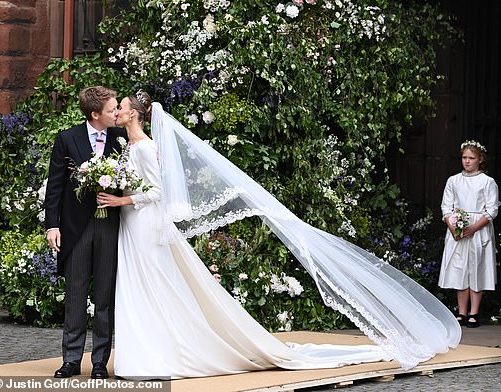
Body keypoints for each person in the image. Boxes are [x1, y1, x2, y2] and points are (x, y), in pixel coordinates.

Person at [96, 92, 461, 380]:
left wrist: (120, 198)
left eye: (122, 108)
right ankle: (144, 351)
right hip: (132, 221)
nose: (117, 112)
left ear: (135, 115)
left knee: (151, 283)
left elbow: (159, 191)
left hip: (143, 221)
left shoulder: (144, 146)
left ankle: (156, 353)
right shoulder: (128, 146)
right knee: (142, 285)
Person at [44, 86, 127, 379]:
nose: (117, 113)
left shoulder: (122, 139)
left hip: (110, 225)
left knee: (104, 296)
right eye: (112, 109)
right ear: (95, 114)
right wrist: (51, 225)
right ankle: (71, 360)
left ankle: (101, 362)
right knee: (75, 296)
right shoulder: (67, 139)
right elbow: (55, 186)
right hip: (75, 228)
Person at [438, 140, 500, 328]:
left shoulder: (487, 182)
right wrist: (453, 228)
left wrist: (472, 228)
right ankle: (461, 311)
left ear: (480, 159)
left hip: (478, 230)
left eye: (471, 158)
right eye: (464, 157)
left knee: (476, 268)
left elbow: (491, 210)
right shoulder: (453, 180)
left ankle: (474, 312)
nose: (467, 161)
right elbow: (446, 207)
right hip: (457, 228)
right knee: (459, 268)